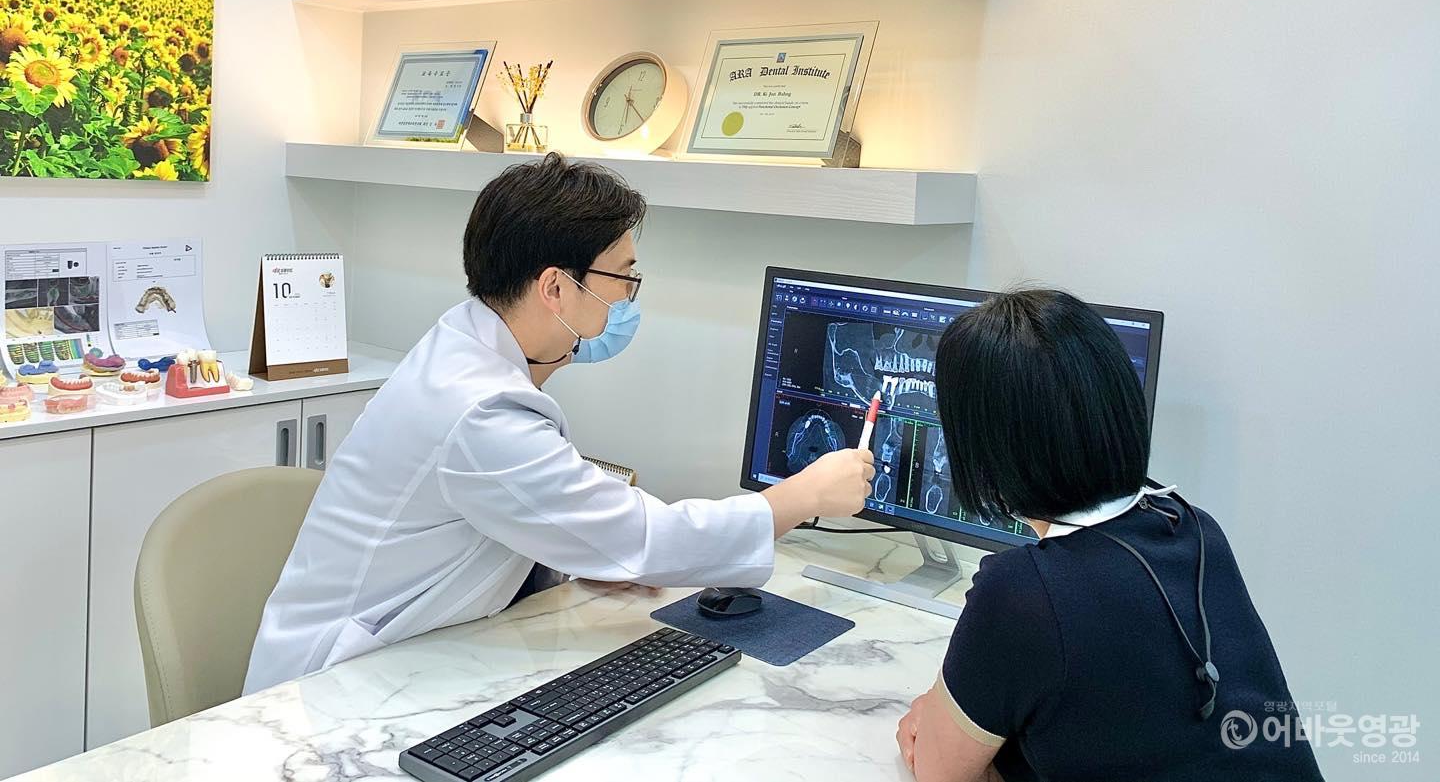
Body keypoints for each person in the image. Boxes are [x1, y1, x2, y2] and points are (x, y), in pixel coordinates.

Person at [245, 154, 873, 693]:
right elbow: (644, 537)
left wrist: (576, 553)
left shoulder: (468, 346)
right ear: (554, 287)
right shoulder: (480, 409)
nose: (627, 295)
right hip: (331, 686)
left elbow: (512, 511)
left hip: (413, 653)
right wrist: (801, 498)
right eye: (622, 276)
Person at [896, 290, 1324, 782]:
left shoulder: (1022, 593)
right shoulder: (1195, 528)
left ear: (980, 445)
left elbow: (940, 771)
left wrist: (932, 722)